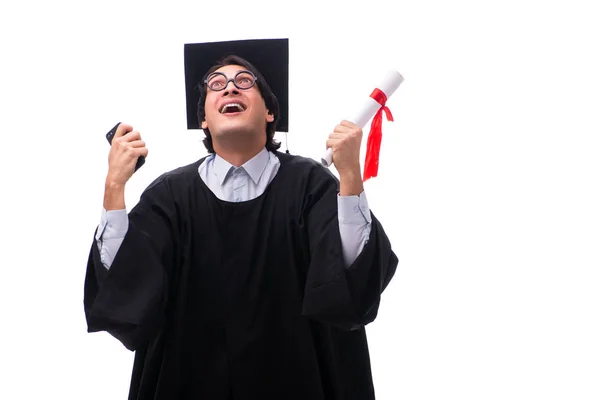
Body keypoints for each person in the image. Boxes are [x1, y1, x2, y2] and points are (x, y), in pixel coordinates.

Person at [84, 38, 398, 400]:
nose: (230, 86)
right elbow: (126, 290)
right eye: (216, 84)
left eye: (245, 81)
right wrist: (115, 187)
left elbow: (350, 283)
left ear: (269, 113)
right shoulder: (169, 197)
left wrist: (349, 179)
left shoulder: (310, 186)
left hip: (297, 381)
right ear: (203, 117)